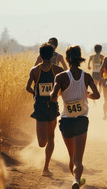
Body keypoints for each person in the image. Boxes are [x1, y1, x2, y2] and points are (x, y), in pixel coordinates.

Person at [50, 45, 100, 189]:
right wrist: (87, 95)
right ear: (80, 58)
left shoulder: (60, 77)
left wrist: (55, 92)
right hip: (81, 121)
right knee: (78, 160)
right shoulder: (86, 76)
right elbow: (97, 95)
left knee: (71, 158)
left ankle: (76, 181)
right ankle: (76, 181)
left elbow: (53, 96)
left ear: (66, 59)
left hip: (66, 122)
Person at [26, 43, 64, 176]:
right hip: (51, 105)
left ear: (40, 55)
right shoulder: (58, 70)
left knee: (45, 140)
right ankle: (46, 167)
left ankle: (46, 168)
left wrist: (36, 95)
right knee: (46, 140)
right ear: (53, 56)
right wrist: (56, 94)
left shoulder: (34, 70)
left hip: (41, 106)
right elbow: (64, 86)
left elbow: (28, 87)